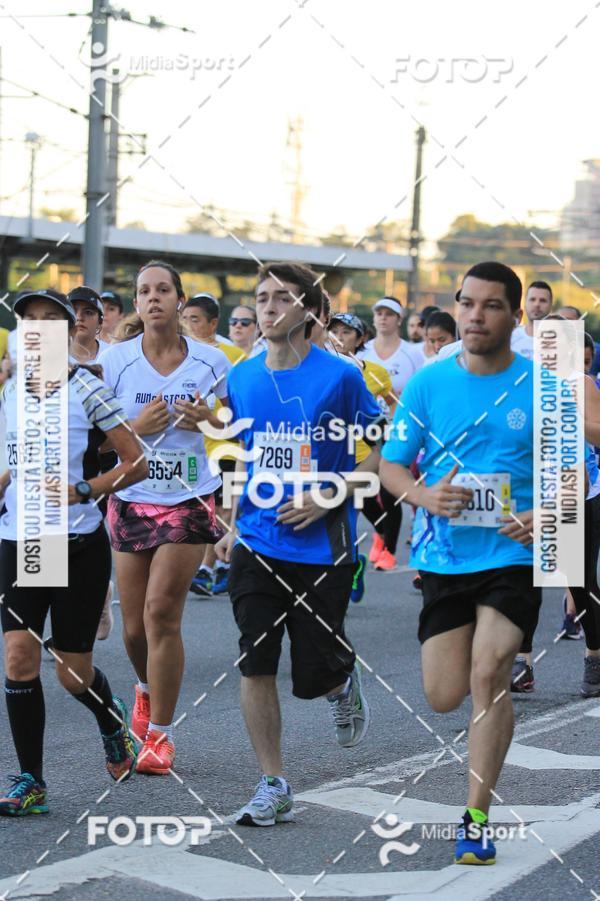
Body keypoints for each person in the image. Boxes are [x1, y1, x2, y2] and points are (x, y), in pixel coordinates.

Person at [380, 261, 540, 865]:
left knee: (490, 670)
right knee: (445, 693)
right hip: (444, 556)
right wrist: (422, 495)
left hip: (512, 551)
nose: (476, 315)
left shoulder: (543, 388)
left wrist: (545, 514)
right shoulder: (428, 384)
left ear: (514, 317)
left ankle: (476, 817)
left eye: (491, 305)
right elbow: (392, 465)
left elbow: (579, 472)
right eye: (467, 303)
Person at [216, 261, 382, 827]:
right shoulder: (241, 378)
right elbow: (238, 454)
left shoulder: (341, 377)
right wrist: (229, 519)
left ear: (308, 310)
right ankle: (273, 782)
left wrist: (331, 495)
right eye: (261, 297)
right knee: (254, 661)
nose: (267, 307)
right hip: (257, 544)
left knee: (313, 674)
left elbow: (384, 457)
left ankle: (340, 680)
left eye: (281, 297)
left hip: (323, 549)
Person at [0, 288, 147, 816]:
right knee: (19, 659)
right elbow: (9, 462)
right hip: (23, 539)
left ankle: (112, 724)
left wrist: (86, 489)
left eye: (48, 319)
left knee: (71, 672)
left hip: (78, 544)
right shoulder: (11, 389)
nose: (37, 327)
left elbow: (136, 461)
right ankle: (31, 782)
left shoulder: (86, 388)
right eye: (28, 319)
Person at [98, 260, 230, 774]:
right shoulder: (115, 362)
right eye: (144, 292)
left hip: (190, 496)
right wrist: (135, 424)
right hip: (131, 496)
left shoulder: (213, 360)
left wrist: (210, 419)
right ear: (137, 304)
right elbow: (94, 434)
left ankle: (160, 736)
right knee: (133, 629)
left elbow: (232, 425)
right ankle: (145, 691)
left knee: (160, 613)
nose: (153, 298)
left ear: (179, 300)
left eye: (163, 290)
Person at [327, 312, 396, 601]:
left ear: (360, 338)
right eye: (334, 331)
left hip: (363, 457)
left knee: (345, 515)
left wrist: (391, 434)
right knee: (330, 517)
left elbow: (391, 404)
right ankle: (349, 563)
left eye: (346, 332)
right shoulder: (324, 369)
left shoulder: (376, 373)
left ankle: (349, 567)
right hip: (329, 453)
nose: (339, 338)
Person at [180, 294, 245, 597]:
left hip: (228, 444)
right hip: (196, 446)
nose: (188, 325)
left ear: (213, 323)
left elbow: (241, 402)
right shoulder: (180, 353)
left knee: (224, 505)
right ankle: (216, 563)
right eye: (185, 318)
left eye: (195, 319)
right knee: (206, 508)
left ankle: (211, 566)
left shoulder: (231, 355)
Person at [358, 297, 422, 570]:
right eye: (379, 313)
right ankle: (381, 530)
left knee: (389, 487)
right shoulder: (362, 354)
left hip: (398, 429)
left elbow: (421, 390)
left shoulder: (412, 354)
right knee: (361, 493)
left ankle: (388, 551)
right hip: (362, 433)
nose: (383, 318)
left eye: (389, 314)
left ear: (399, 319)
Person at [68, 286, 110, 364]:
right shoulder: (51, 356)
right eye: (73, 311)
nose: (79, 317)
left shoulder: (113, 355)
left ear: (100, 322)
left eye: (88, 312)